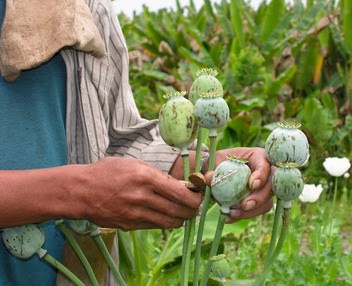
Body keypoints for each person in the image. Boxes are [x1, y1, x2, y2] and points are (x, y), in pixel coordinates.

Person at [0, 0, 273, 285]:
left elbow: (116, 141)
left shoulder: (84, 6)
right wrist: (78, 192)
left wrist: (213, 167)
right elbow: (89, 184)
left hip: (79, 272)